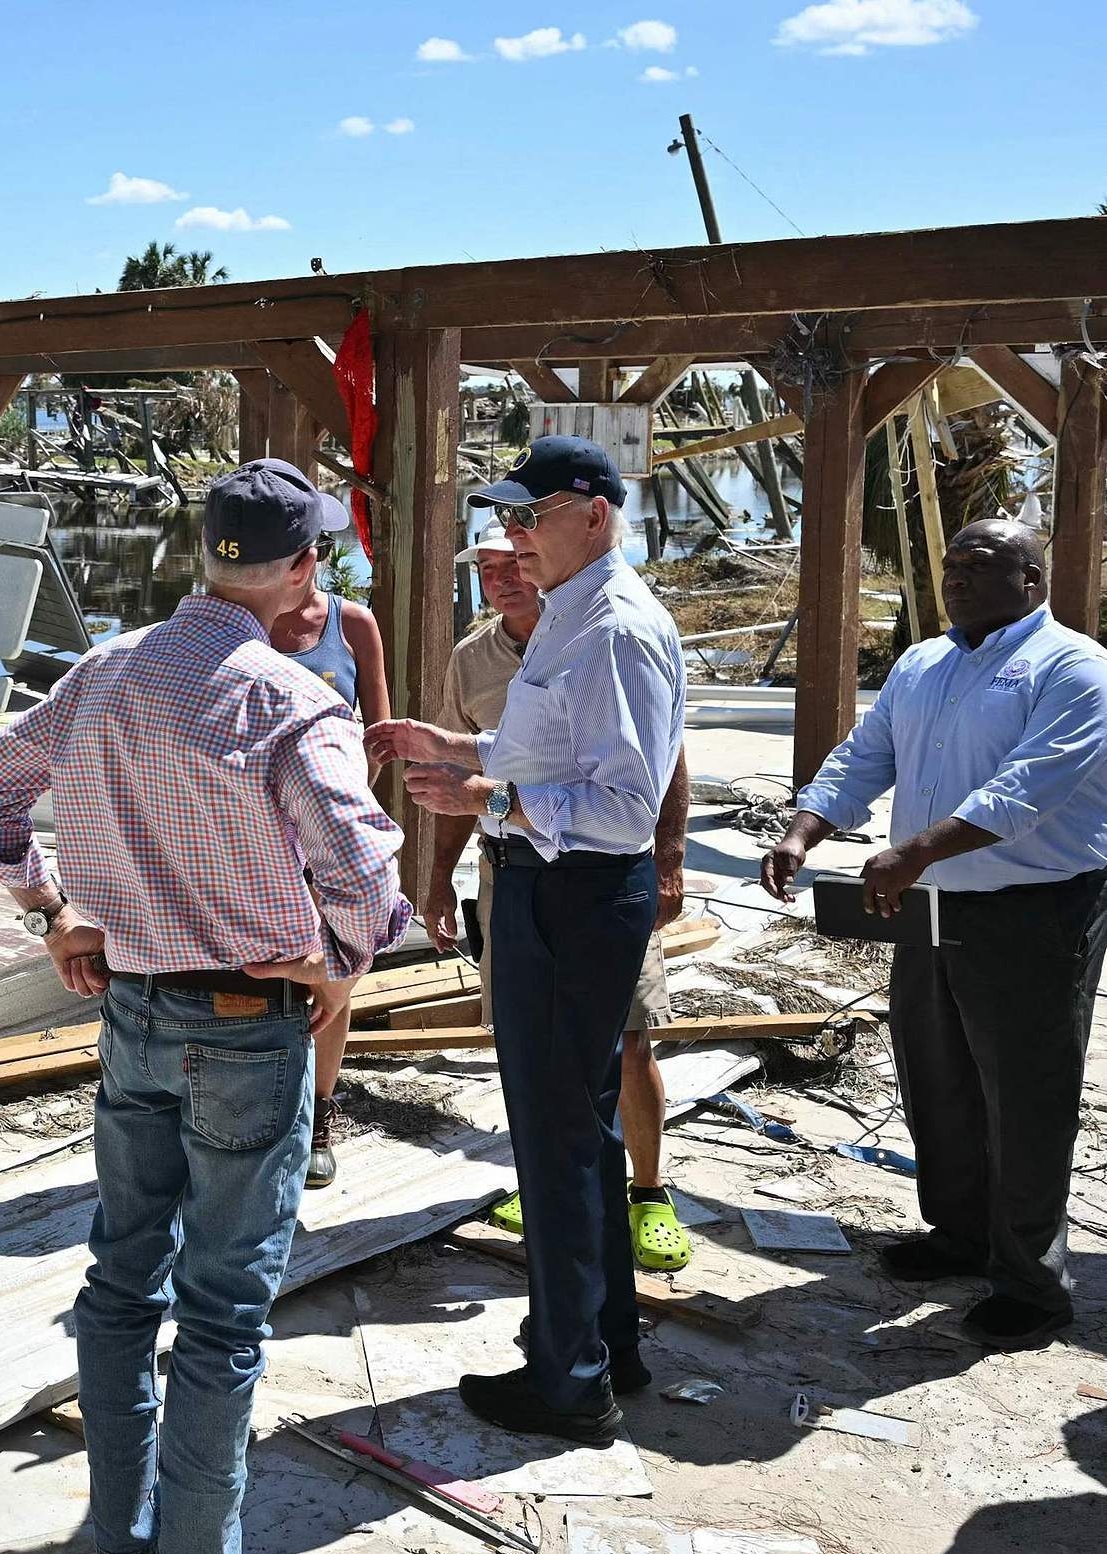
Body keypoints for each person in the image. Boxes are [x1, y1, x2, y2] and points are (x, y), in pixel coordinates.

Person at [0, 458, 410, 1554]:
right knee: (219, 1311)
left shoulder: (101, 671)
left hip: (134, 1017)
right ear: (305, 564)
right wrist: (337, 958)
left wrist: (52, 911)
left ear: (205, 554)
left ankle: (120, 1552)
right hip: (245, 1030)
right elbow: (367, 883)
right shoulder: (286, 698)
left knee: (117, 1285)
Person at [367, 435, 685, 1447]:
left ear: (592, 512)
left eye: (530, 516)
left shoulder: (615, 627)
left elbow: (624, 801)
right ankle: (601, 1341)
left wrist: (486, 792)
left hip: (576, 892)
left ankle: (568, 1379)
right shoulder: (571, 613)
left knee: (554, 1136)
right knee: (573, 1129)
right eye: (506, 517)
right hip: (555, 889)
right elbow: (553, 748)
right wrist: (454, 746)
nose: (514, 537)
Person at [762, 518, 1107, 1352]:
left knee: (1025, 1093)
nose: (955, 577)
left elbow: (1027, 789)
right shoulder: (925, 662)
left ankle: (1032, 1284)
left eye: (979, 565)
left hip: (1034, 909)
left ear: (1031, 580)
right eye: (950, 564)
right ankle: (958, 1234)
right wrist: (805, 827)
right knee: (936, 1072)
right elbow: (864, 754)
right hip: (929, 904)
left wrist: (913, 851)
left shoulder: (1074, 667)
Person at [426, 536, 696, 1273]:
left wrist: (669, 859)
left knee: (629, 1037)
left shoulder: (603, 635)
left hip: (606, 879)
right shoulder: (471, 661)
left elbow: (662, 758)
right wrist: (439, 874)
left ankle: (646, 1193)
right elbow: (463, 776)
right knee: (531, 1050)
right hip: (516, 878)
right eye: (484, 568)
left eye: (515, 560)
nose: (503, 577)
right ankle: (550, 1186)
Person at [261, 516, 390, 1190]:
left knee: (333, 978)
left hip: (327, 835)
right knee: (260, 976)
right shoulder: (240, 621)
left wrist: (336, 813)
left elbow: (380, 736)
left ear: (315, 557)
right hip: (251, 841)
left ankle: (320, 1115)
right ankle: (261, 1112)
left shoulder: (353, 623)